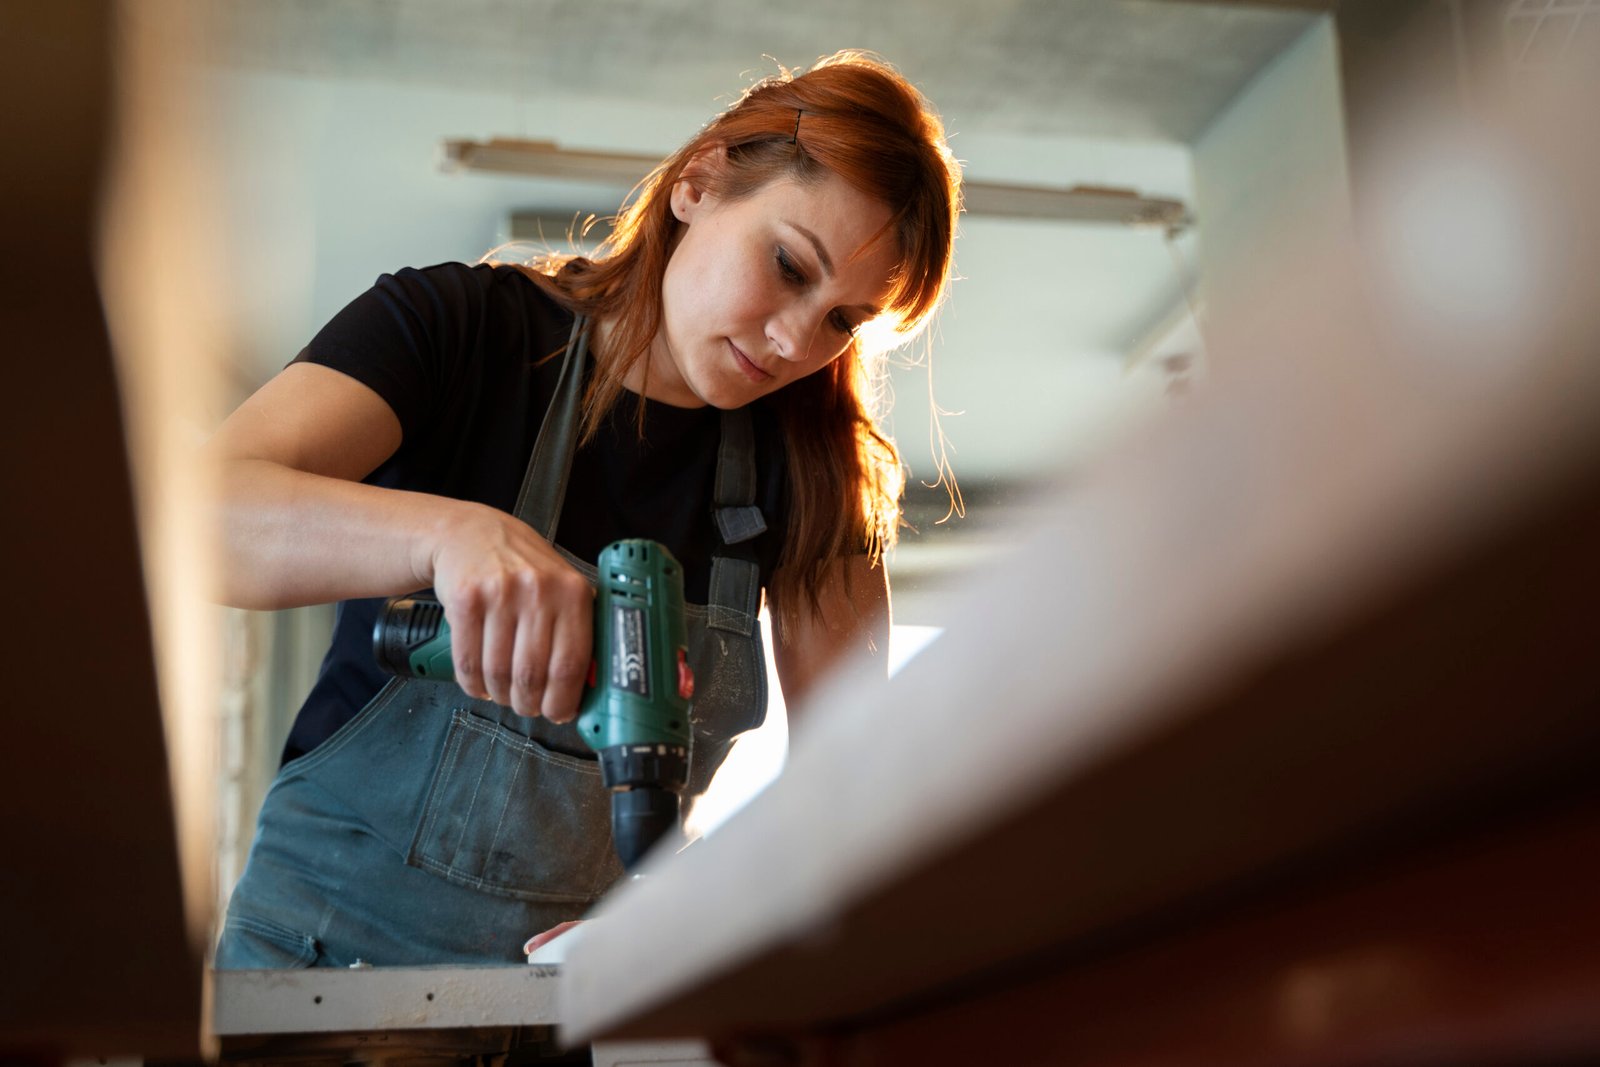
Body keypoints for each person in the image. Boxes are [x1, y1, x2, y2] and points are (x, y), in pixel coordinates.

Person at [209, 49, 961, 968]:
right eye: (788, 267)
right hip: (317, 970)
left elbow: (849, 795)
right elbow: (198, 526)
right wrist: (454, 535)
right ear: (698, 182)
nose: (796, 339)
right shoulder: (456, 327)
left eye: (845, 319)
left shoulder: (815, 474)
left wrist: (700, 909)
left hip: (575, 1004)